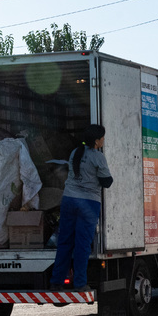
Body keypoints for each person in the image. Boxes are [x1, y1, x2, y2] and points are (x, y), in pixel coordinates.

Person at [50, 124, 113, 292]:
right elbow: (107, 181)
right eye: (102, 138)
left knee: (64, 242)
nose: (103, 140)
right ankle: (79, 283)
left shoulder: (75, 153)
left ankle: (56, 282)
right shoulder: (98, 157)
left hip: (69, 199)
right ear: (97, 140)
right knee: (82, 244)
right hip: (88, 203)